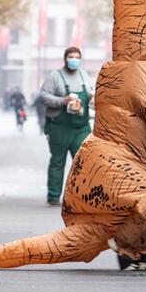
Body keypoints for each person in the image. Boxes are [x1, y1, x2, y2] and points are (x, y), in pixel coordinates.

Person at [39, 46, 93, 205]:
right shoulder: (55, 76)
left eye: (77, 57)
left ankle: (80, 197)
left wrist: (92, 99)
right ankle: (54, 196)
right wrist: (62, 101)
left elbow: (91, 94)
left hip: (81, 127)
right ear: (65, 59)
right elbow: (43, 96)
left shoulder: (84, 75)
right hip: (59, 126)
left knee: (83, 162)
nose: (74, 59)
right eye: (71, 56)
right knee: (58, 161)